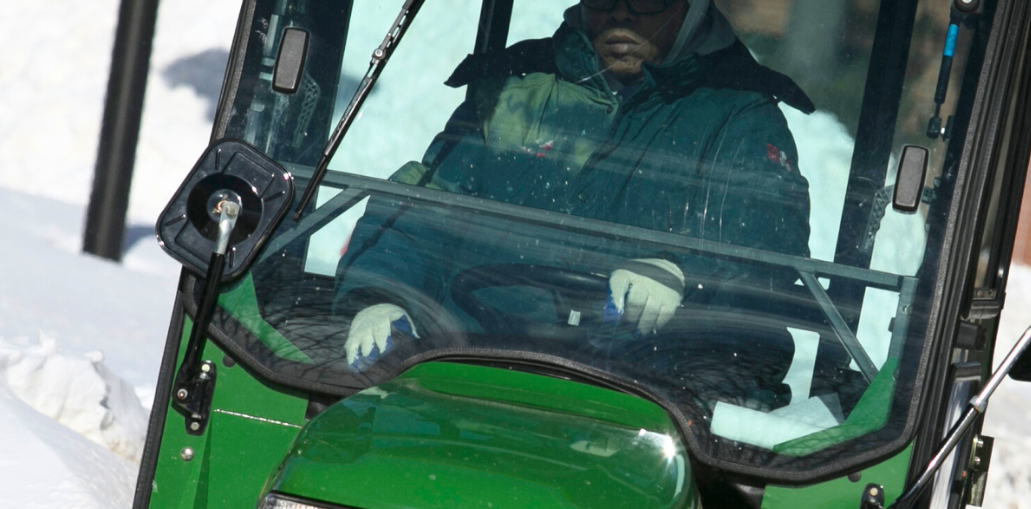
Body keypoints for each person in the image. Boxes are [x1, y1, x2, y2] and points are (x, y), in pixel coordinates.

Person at [333, 0, 815, 386]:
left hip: (655, 398)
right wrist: (381, 295)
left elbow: (769, 242)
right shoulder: (518, 91)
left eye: (645, 0)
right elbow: (424, 209)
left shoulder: (739, 117)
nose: (621, 13)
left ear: (690, 8)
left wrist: (683, 271)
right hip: (471, 372)